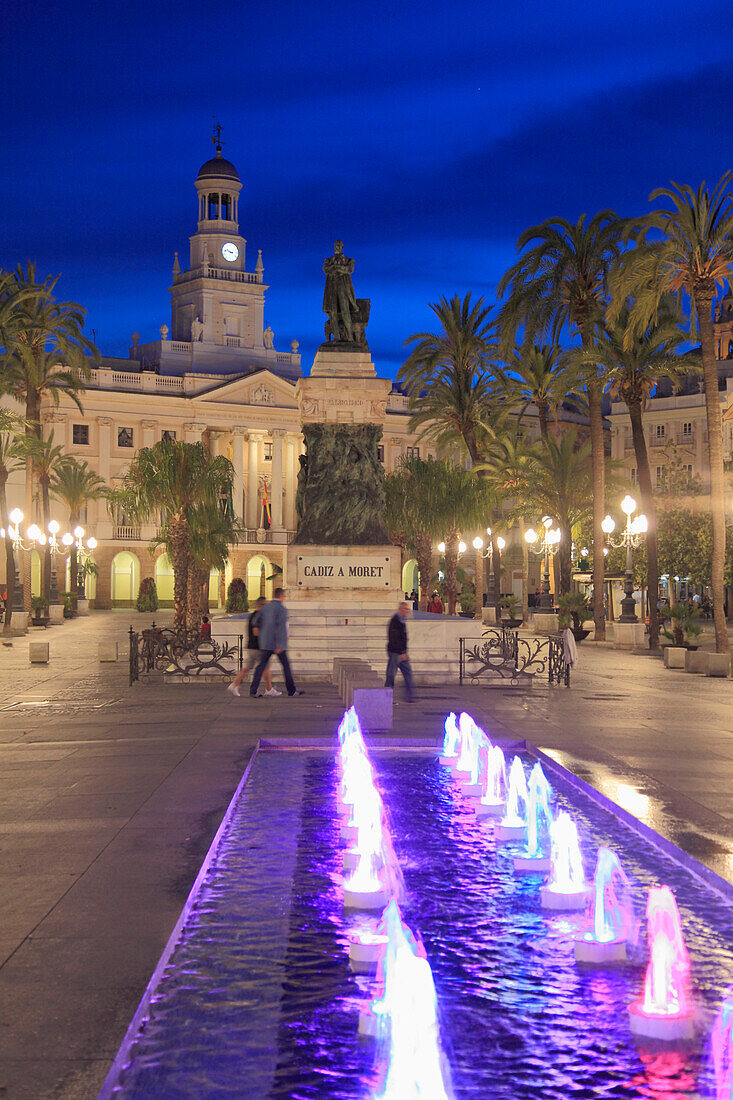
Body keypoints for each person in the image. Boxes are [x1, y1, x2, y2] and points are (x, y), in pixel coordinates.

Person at [249, 587, 304, 698]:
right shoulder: (282, 609)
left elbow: (255, 620)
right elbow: (281, 629)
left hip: (265, 643)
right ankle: (291, 690)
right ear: (281, 596)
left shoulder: (265, 607)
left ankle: (253, 690)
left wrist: (260, 631)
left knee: (260, 666)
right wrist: (280, 644)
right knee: (286, 666)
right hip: (277, 644)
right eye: (284, 596)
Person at [227, 597, 279, 698]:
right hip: (258, 647)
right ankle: (269, 689)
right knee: (266, 668)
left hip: (252, 647)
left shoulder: (254, 616)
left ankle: (234, 685)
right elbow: (256, 632)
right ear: (261, 605)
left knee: (247, 668)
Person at [385, 601, 415, 702]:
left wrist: (404, 651)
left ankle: (410, 696)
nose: (407, 611)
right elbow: (394, 638)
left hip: (401, 652)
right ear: (401, 609)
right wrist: (401, 652)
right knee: (391, 674)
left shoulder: (401, 620)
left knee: (407, 673)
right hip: (396, 652)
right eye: (406, 609)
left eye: (408, 610)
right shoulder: (396, 621)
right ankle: (387, 696)